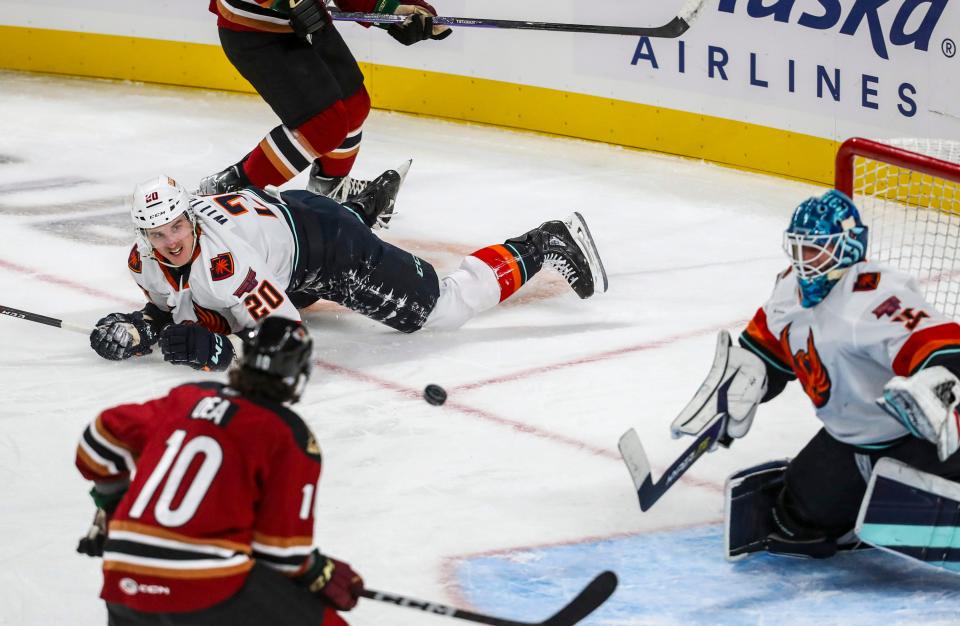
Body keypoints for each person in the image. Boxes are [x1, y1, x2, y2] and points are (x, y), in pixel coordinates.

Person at [671, 189, 960, 559]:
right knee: (793, 525)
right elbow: (765, 352)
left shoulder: (876, 297)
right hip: (848, 442)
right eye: (799, 248)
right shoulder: (789, 290)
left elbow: (942, 350)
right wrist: (733, 396)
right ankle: (857, 505)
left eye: (816, 249)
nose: (804, 261)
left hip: (914, 440)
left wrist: (934, 384)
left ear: (849, 247)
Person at [88, 175, 608, 371]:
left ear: (189, 216)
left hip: (328, 248)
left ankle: (546, 241)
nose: (171, 241)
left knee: (439, 312)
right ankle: (364, 203)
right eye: (159, 235)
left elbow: (288, 342)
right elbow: (168, 306)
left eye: (177, 226)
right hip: (287, 225)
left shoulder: (227, 263)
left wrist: (222, 351)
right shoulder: (144, 261)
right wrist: (140, 328)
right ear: (143, 237)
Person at [75, 317, 363, 625]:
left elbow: (98, 440)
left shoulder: (189, 398)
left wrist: (113, 508)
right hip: (206, 586)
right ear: (298, 375)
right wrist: (320, 572)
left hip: (123, 578)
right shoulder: (287, 433)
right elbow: (281, 554)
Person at [201, 0, 450, 201]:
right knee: (323, 126)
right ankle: (230, 193)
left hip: (307, 21)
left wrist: (397, 10)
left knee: (353, 104)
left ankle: (329, 191)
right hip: (254, 30)